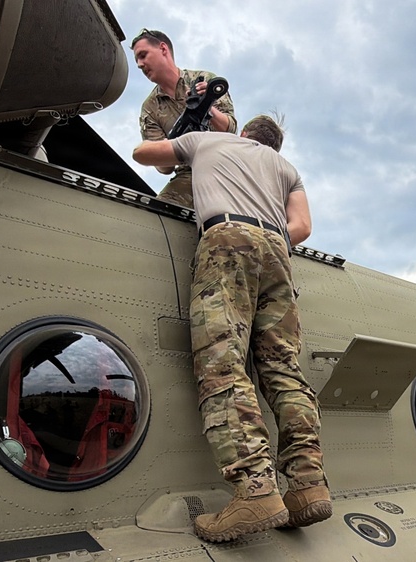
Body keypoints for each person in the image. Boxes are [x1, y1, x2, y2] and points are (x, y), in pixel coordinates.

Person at [132, 115, 330, 542]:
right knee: (284, 369)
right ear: (274, 146)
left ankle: (255, 490)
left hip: (225, 237)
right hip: (278, 250)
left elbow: (143, 154)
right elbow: (302, 228)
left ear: (243, 134)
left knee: (222, 361)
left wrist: (183, 139)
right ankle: (307, 486)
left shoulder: (209, 140)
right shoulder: (287, 170)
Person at [131, 29, 237, 208]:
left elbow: (230, 129)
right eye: (137, 60)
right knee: (159, 212)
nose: (140, 65)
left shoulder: (204, 80)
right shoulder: (150, 108)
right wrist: (171, 146)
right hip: (189, 172)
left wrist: (207, 105)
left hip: (226, 164)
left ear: (163, 49)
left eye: (143, 55)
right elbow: (164, 168)